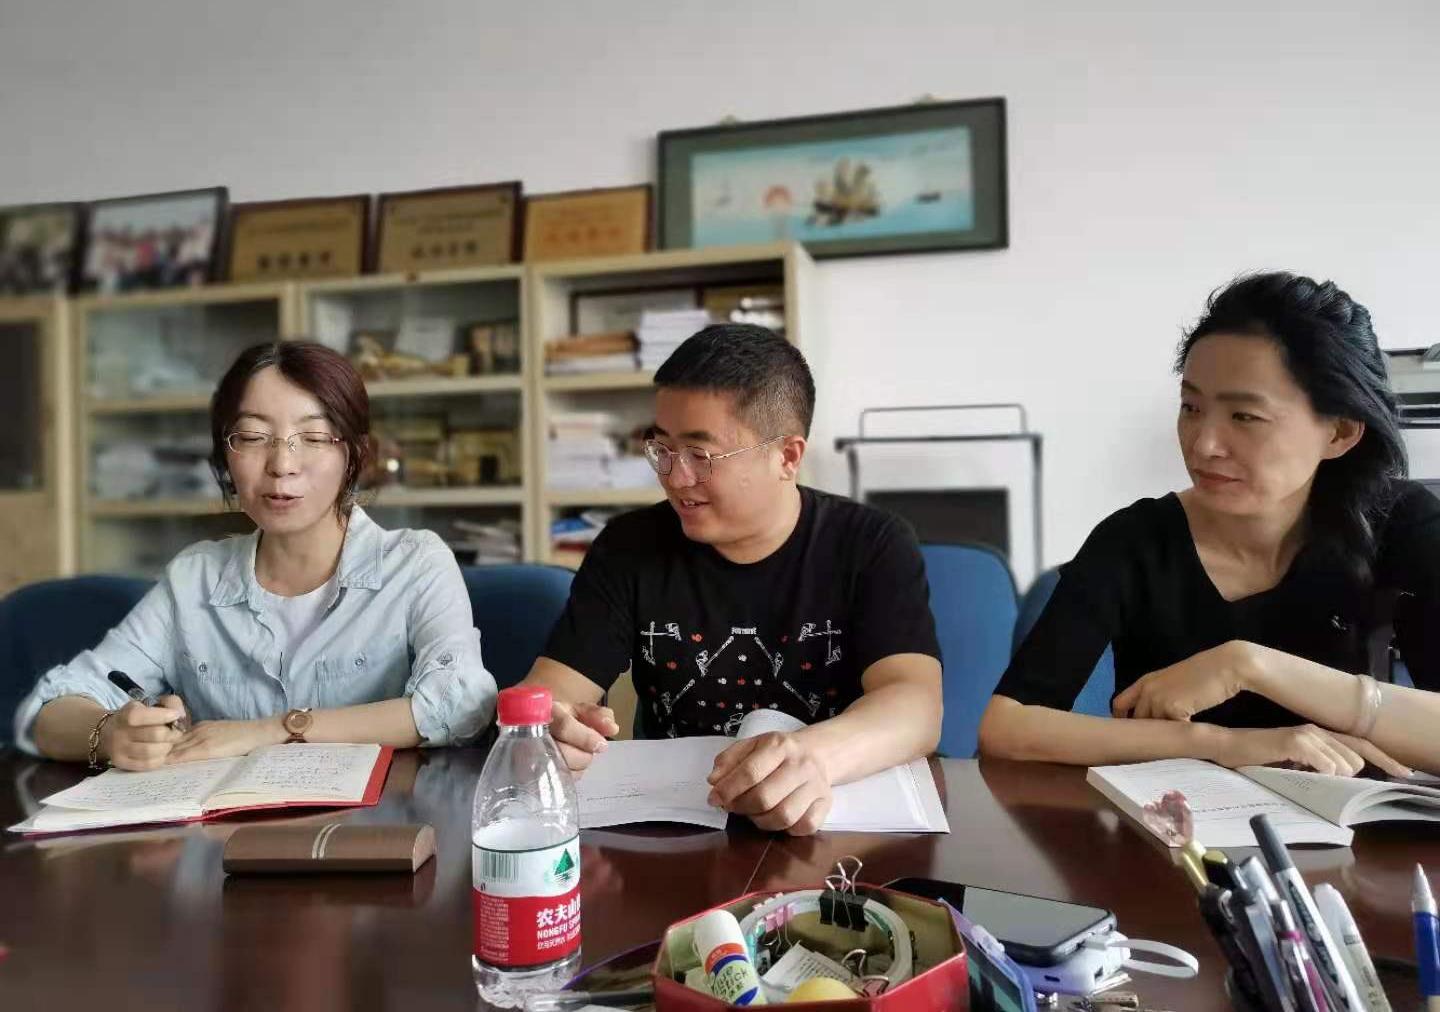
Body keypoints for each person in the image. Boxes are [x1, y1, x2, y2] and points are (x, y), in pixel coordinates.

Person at [980, 272, 1440, 776]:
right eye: (1191, 407)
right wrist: (1215, 742)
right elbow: (1008, 726)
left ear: (1340, 433)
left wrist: (1251, 666)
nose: (1203, 445)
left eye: (1244, 416)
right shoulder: (1137, 540)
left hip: (1353, 821)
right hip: (1177, 820)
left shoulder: (1401, 524)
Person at [520, 324, 943, 836]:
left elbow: (915, 704)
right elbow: (550, 690)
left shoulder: (870, 544)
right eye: (662, 448)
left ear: (787, 456)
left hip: (830, 829)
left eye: (701, 456)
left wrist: (814, 756)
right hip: (676, 832)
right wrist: (548, 726)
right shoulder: (629, 547)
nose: (676, 477)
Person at [17, 340, 496, 769]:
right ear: (225, 455)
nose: (282, 465)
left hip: (374, 827)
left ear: (353, 454)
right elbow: (48, 708)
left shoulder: (415, 564)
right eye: (251, 437)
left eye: (313, 437)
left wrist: (273, 730)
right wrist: (112, 735)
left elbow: (460, 704)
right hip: (222, 836)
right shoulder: (194, 580)